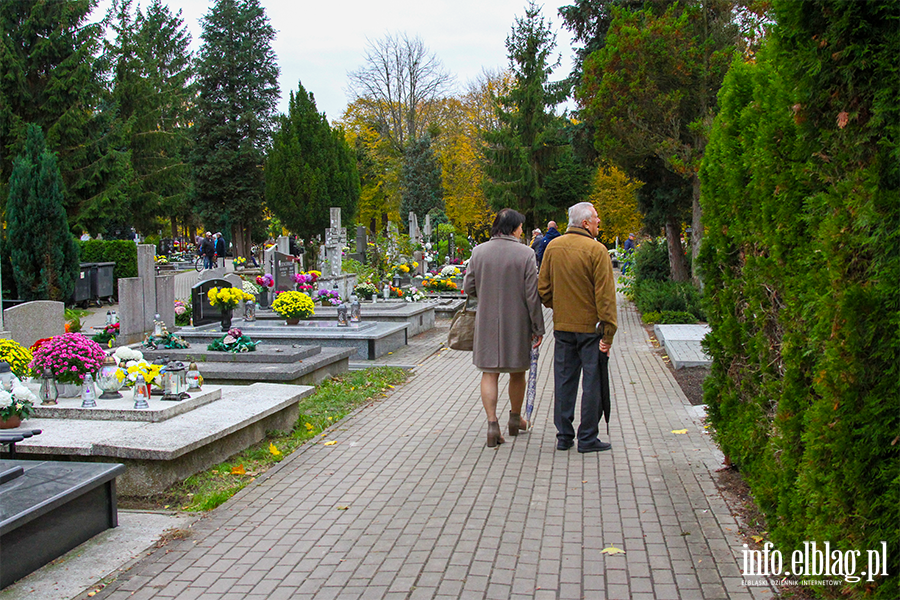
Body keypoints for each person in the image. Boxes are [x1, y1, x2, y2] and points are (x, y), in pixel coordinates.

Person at [538, 202, 617, 453]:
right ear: (585, 223)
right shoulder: (597, 250)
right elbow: (605, 297)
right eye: (595, 218)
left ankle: (563, 435)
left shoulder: (553, 247)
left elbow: (543, 290)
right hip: (591, 329)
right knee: (592, 381)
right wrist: (609, 332)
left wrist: (559, 307)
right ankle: (587, 437)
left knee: (564, 379)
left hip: (562, 326)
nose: (598, 222)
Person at [463, 208, 545, 448]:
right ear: (513, 228)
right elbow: (532, 294)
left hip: (486, 320)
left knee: (489, 372)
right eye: (520, 227)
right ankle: (515, 419)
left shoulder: (479, 252)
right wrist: (538, 327)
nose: (522, 231)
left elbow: (469, 287)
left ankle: (491, 424)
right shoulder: (525, 254)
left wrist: (486, 295)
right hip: (517, 323)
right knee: (518, 372)